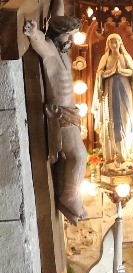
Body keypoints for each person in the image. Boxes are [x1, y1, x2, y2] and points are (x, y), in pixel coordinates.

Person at [24, 16, 88, 223]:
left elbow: (57, 15)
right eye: (69, 36)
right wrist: (33, 32)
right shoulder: (51, 49)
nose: (71, 41)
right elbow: (40, 44)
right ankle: (70, 196)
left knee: (77, 156)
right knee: (78, 156)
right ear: (60, 34)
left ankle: (70, 194)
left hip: (69, 111)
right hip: (60, 113)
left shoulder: (62, 53)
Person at [92, 34, 133, 166]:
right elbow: (100, 75)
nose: (114, 45)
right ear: (108, 44)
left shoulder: (125, 57)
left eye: (116, 42)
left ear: (120, 43)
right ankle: (111, 155)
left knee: (125, 120)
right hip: (109, 92)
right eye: (111, 42)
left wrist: (121, 71)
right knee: (111, 121)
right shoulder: (105, 58)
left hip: (125, 92)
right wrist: (111, 72)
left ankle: (125, 153)